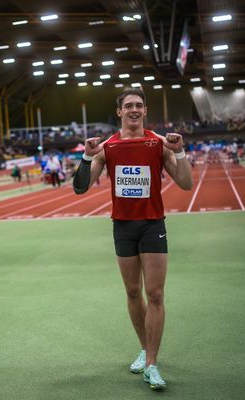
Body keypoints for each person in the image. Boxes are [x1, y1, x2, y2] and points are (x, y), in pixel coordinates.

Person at [72, 89, 193, 391]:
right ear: (120, 112)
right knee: (132, 292)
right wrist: (87, 156)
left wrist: (179, 151)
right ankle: (144, 349)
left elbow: (186, 183)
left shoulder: (157, 143)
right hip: (123, 228)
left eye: (139, 105)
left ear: (145, 110)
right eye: (129, 106)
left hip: (153, 224)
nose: (134, 110)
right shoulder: (108, 147)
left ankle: (152, 364)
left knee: (155, 295)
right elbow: (79, 188)